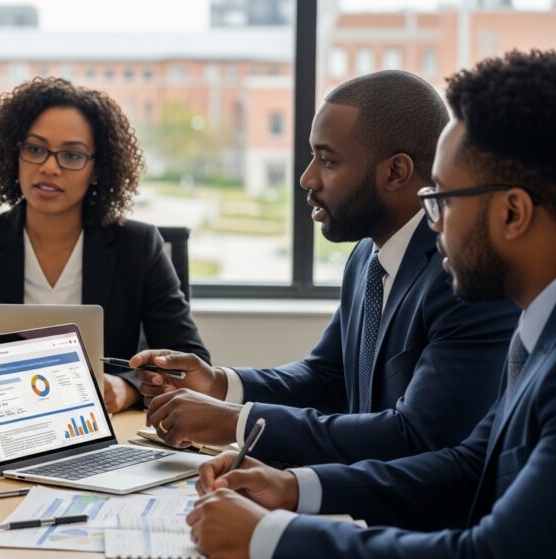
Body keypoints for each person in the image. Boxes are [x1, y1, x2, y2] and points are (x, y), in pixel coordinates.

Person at [186, 49, 556, 559]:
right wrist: (292, 487)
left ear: (513, 212)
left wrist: (270, 537)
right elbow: (469, 467)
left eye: (443, 199)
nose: (433, 222)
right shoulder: (534, 334)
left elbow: (494, 551)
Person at [134, 70, 519, 465]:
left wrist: (237, 423)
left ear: (396, 172)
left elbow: (417, 437)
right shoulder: (367, 257)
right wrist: (219, 384)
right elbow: (327, 377)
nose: (307, 177)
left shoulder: (464, 275)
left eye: (328, 160)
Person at [0, 77, 208, 413]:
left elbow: (189, 361)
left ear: (98, 169)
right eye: (35, 149)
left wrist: (127, 388)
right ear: (15, 154)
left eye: (71, 155)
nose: (49, 167)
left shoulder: (138, 246)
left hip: (98, 432)